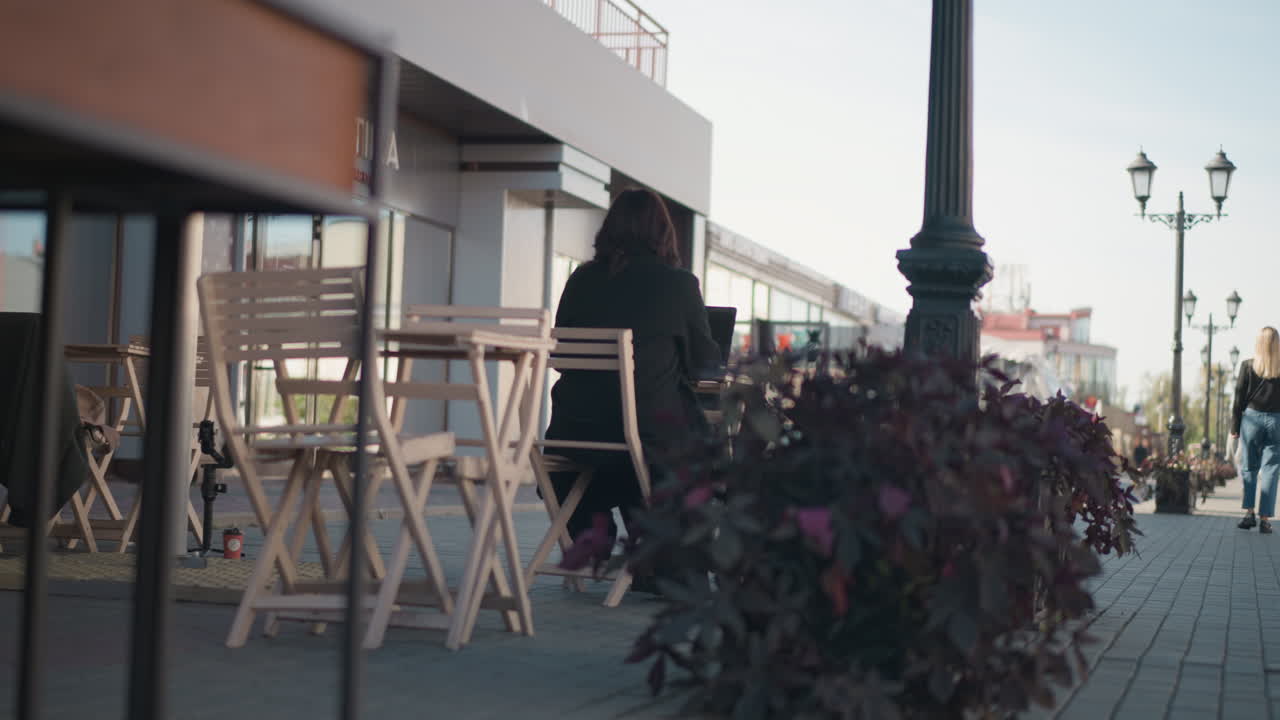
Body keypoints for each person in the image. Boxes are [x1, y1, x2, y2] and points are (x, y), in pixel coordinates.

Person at [544, 188, 721, 556]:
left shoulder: (581, 280)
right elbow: (707, 366)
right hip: (646, 439)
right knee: (699, 444)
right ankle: (663, 557)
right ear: (664, 233)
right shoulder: (679, 285)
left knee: (646, 448)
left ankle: (599, 531)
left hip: (572, 434)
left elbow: (560, 357)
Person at [1231, 326, 1280, 533]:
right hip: (1276, 421)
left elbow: (1238, 398)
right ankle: (1265, 519)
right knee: (1271, 470)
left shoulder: (1247, 366)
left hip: (1251, 420)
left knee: (1249, 467)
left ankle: (1249, 513)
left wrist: (1234, 427)